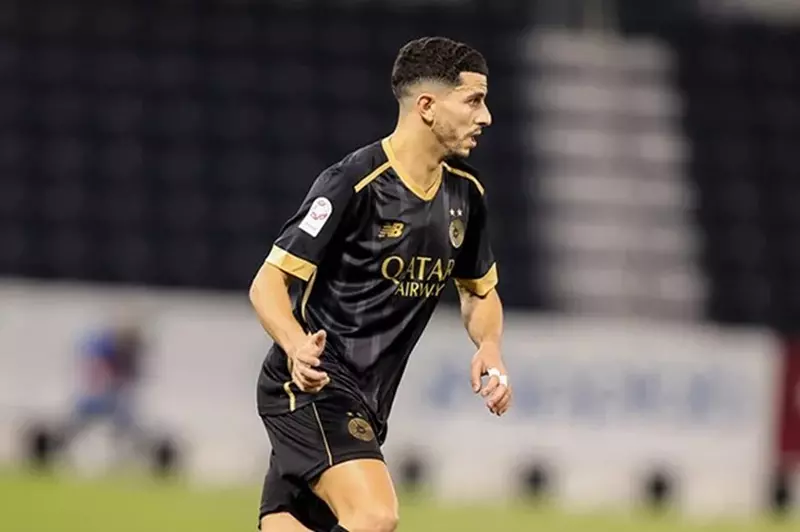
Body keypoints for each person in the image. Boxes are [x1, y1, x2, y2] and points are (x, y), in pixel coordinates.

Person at [249, 36, 512, 532]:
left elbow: (479, 291)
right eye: (473, 100)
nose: (486, 117)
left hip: (370, 400)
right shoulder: (353, 182)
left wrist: (490, 346)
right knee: (374, 516)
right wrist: (296, 346)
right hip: (312, 383)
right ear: (427, 106)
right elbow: (268, 282)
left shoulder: (466, 193)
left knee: (287, 524)